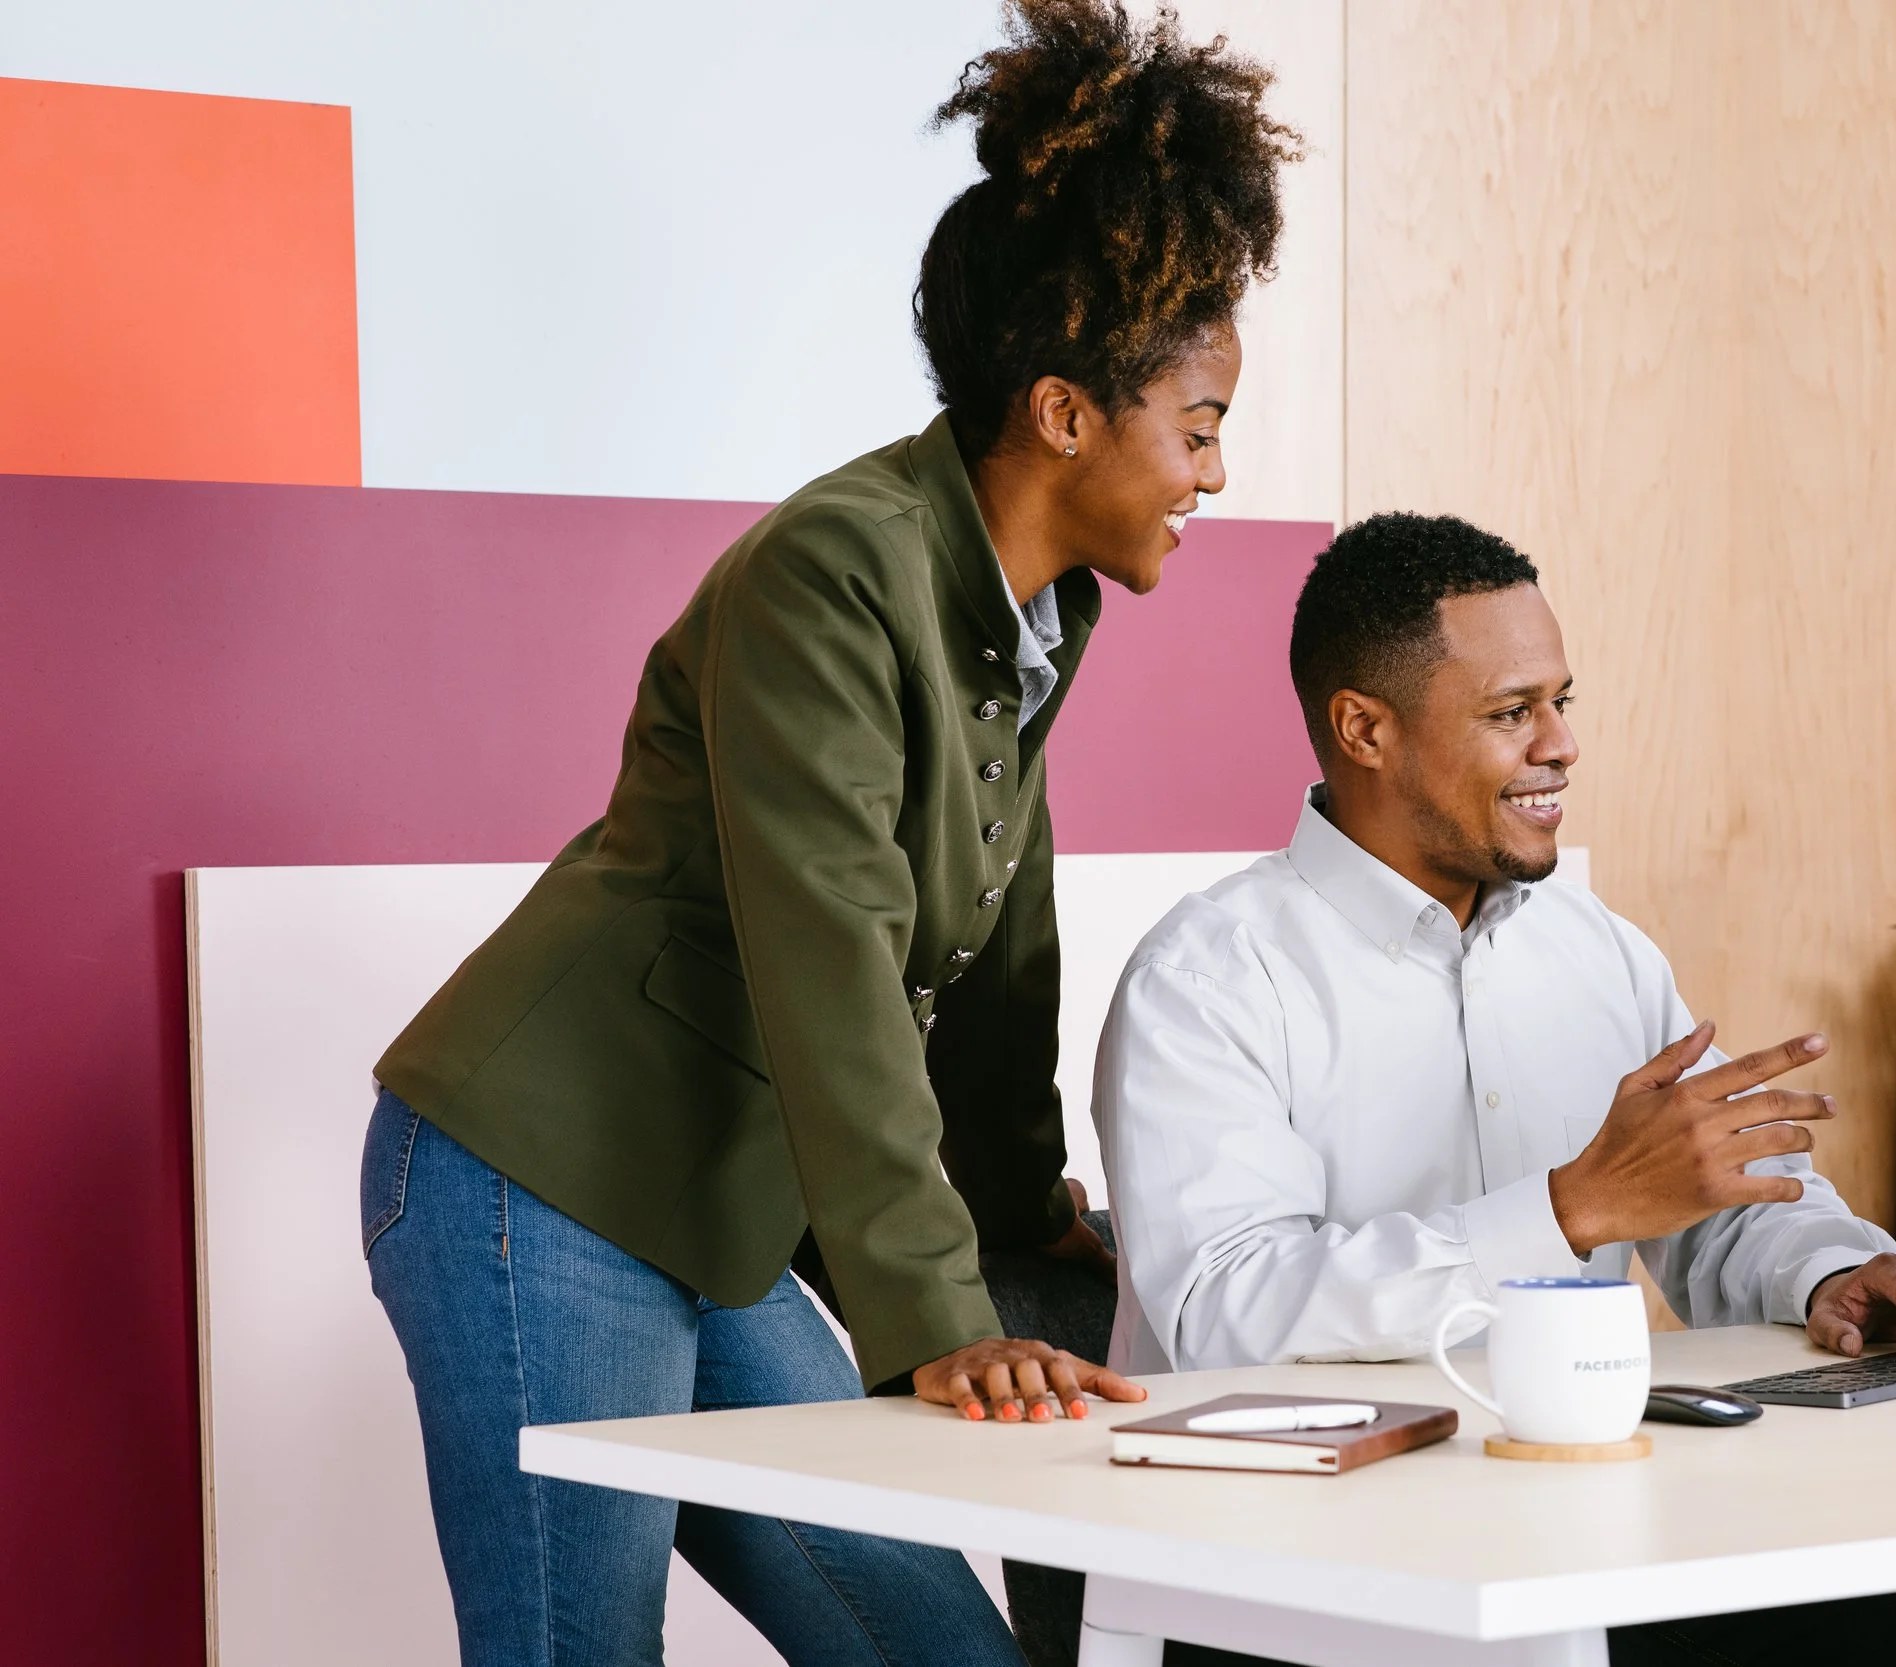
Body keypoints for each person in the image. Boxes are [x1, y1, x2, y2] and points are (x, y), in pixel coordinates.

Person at [356, 5, 1299, 1663]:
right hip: (541, 1179)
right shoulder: (836, 569)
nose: (1214, 472)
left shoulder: (1035, 607)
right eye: (1200, 423)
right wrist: (942, 1320)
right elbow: (833, 953)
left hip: (711, 1213)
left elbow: (998, 943)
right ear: (1070, 410)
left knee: (937, 1648)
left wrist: (1019, 1217)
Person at [1096, 512, 1896, 1666]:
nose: (1561, 744)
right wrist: (1567, 1209)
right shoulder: (1206, 975)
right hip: (1300, 1590)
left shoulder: (1601, 952)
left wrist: (1830, 1270)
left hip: (1576, 1545)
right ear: (1364, 727)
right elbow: (1228, 1317)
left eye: (1562, 701)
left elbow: (1715, 1211)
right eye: (1509, 711)